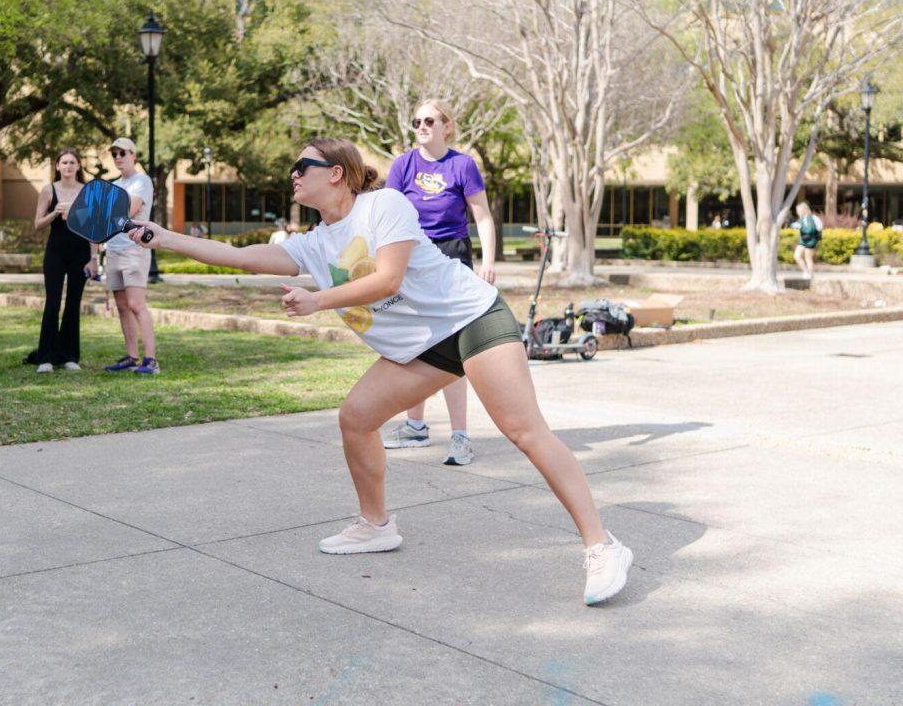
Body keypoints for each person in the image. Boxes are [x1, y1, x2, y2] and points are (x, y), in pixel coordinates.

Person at [125, 137, 633, 606]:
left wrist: (319, 299)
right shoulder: (314, 242)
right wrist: (163, 237)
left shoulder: (384, 205)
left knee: (523, 431)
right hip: (424, 347)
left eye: (304, 166)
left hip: (471, 318)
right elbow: (236, 255)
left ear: (339, 173)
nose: (294, 176)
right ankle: (376, 525)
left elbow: (387, 277)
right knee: (357, 417)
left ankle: (601, 544)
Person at [382, 99, 497, 466]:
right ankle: (415, 427)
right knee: (414, 342)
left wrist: (488, 262)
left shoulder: (462, 165)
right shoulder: (403, 165)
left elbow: (482, 216)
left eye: (429, 120)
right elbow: (387, 215)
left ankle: (460, 436)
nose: (421, 126)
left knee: (450, 349)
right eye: (416, 121)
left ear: (447, 125)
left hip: (451, 256)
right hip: (411, 256)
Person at [93, 138, 159, 375]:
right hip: (114, 249)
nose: (118, 157)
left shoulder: (142, 181)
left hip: (135, 249)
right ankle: (132, 356)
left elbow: (127, 211)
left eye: (122, 153)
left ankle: (151, 360)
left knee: (136, 304)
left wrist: (102, 214)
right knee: (122, 306)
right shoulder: (114, 184)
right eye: (115, 154)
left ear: (133, 155)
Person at [33, 149, 91, 373]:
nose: (68, 166)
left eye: (72, 162)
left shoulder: (86, 191)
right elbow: (37, 224)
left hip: (80, 253)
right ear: (57, 166)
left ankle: (69, 356)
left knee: (73, 302)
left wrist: (94, 257)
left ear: (78, 166)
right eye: (64, 162)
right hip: (55, 252)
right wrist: (54, 213)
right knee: (53, 302)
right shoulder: (49, 190)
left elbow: (91, 228)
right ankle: (45, 357)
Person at [791, 202, 823, 280]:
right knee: (797, 255)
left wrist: (800, 227)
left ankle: (810, 275)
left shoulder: (812, 218)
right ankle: (806, 272)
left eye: (798, 210)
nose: (798, 212)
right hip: (803, 240)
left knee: (808, 257)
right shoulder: (802, 219)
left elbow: (815, 229)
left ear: (803, 210)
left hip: (810, 241)